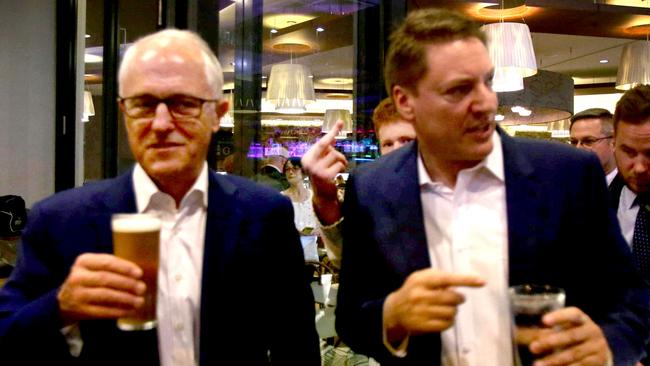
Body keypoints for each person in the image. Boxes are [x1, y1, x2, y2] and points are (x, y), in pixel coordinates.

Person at [335, 9, 650, 366]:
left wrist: (609, 346)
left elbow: (632, 302)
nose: (486, 102)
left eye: (487, 81)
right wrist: (391, 315)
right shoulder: (373, 187)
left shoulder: (566, 174)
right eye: (459, 89)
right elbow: (350, 318)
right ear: (406, 102)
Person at [0, 29, 320, 365]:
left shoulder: (264, 214)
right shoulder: (61, 220)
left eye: (183, 104)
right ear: (125, 112)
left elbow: (296, 344)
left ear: (217, 113)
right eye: (144, 104)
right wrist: (60, 306)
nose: (162, 123)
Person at [301, 100, 416, 268]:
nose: (396, 151)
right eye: (388, 144)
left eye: (406, 141)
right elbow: (346, 259)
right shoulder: (368, 193)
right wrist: (324, 195)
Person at [570, 108, 618, 186]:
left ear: (614, 142)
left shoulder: (634, 188)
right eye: (574, 142)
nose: (578, 148)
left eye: (589, 141)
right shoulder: (566, 185)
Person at [281, 157, 320, 236]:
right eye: (287, 169)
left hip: (312, 245)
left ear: (304, 171)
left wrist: (319, 230)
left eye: (295, 168)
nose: (290, 172)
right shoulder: (281, 198)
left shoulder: (314, 197)